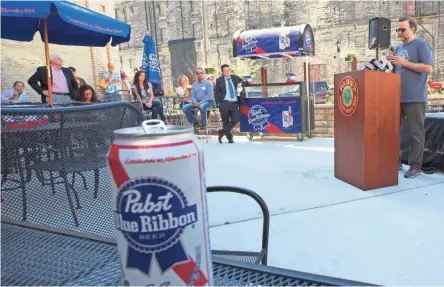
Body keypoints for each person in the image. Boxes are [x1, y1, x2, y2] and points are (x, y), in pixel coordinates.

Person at [387, 16, 433, 178]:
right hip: (397, 97)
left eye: (403, 29)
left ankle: (415, 167)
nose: (400, 32)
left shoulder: (421, 45)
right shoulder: (398, 48)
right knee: (393, 131)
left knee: (416, 134)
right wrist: (392, 63)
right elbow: (398, 70)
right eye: (398, 29)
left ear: (412, 29)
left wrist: (404, 63)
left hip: (415, 98)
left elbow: (428, 68)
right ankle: (395, 161)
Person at [214, 64, 245, 144]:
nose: (228, 72)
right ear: (222, 72)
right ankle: (229, 138)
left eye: (229, 70)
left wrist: (240, 85)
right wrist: (218, 103)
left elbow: (244, 81)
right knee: (226, 121)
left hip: (234, 103)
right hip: (224, 103)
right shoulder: (219, 80)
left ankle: (221, 131)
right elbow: (216, 93)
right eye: (226, 70)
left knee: (236, 118)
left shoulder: (235, 78)